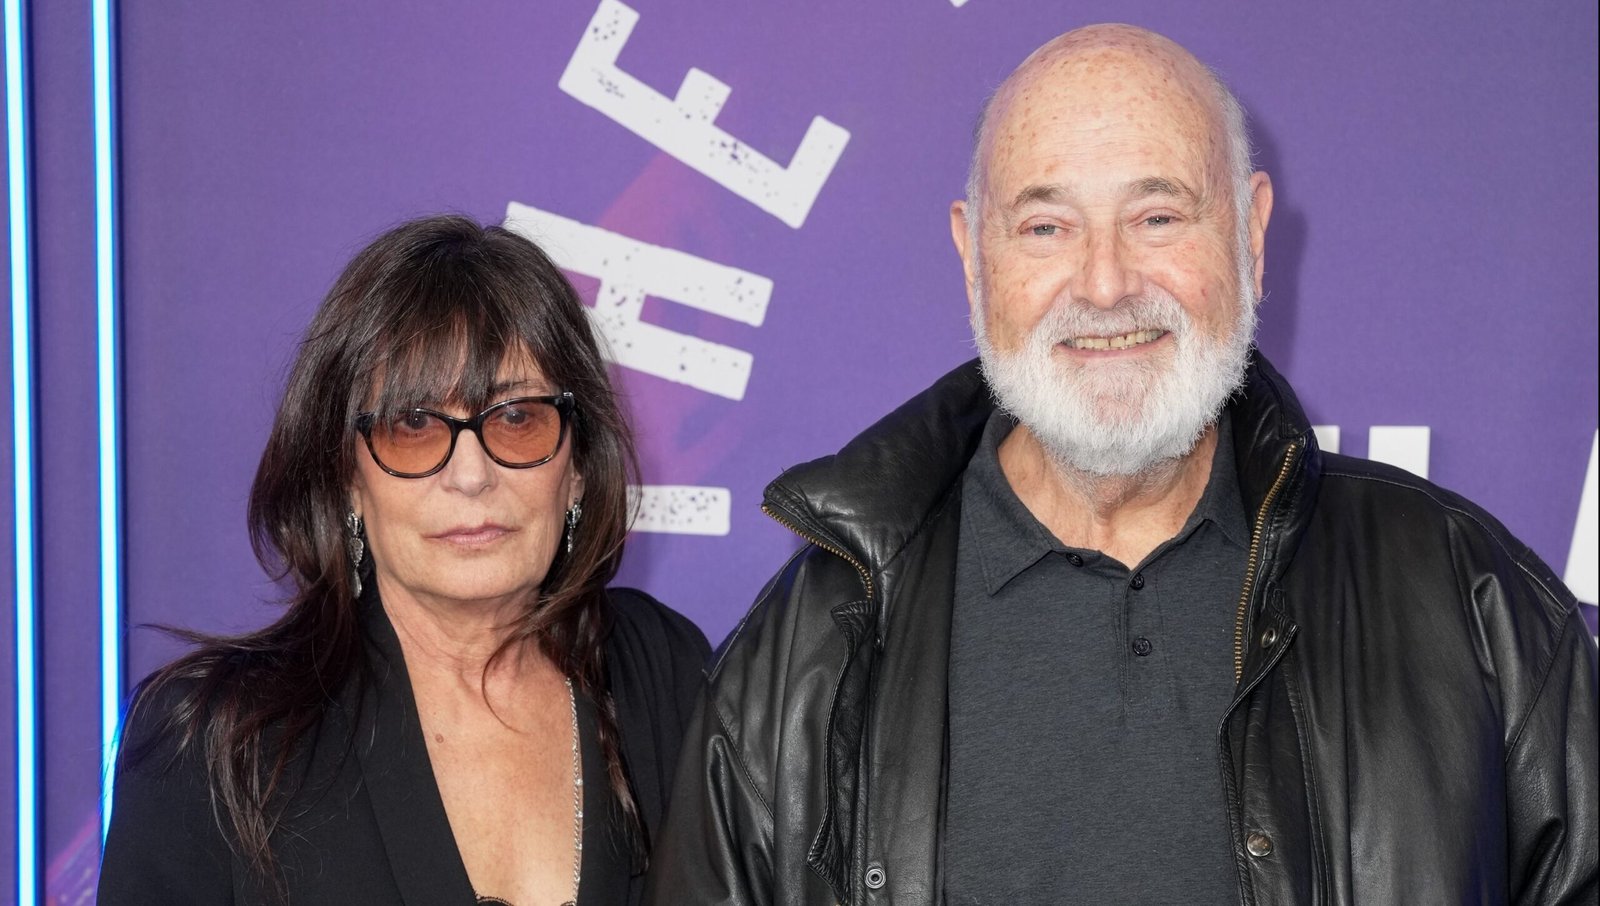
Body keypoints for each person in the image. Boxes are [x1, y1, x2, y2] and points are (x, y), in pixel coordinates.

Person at [645, 24, 1598, 906]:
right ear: (973, 257)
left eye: (1158, 217)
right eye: (1046, 227)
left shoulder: (1467, 598)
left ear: (1251, 235)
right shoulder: (813, 646)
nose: (1105, 285)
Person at [99, 215, 709, 905]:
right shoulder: (216, 743)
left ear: (576, 468)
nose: (471, 476)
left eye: (517, 418)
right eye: (413, 425)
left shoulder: (662, 672)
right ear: (348, 478)